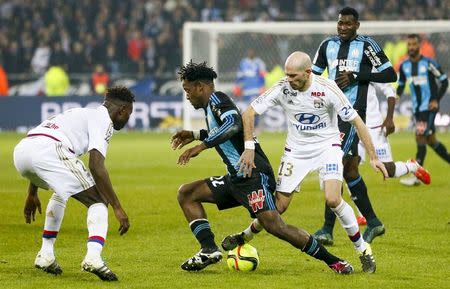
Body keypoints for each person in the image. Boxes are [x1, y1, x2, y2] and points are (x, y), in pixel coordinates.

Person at [172, 60, 354, 274]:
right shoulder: (211, 106)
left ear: (200, 87)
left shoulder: (217, 99)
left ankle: (334, 262)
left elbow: (234, 124)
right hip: (236, 178)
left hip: (253, 175)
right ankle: (208, 249)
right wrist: (194, 135)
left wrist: (201, 146)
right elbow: (226, 131)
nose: (187, 95)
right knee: (187, 193)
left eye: (188, 89)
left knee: (276, 226)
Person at [222, 51, 385, 273]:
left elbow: (356, 120)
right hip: (295, 152)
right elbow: (249, 113)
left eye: (293, 75)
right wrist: (249, 147)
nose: (288, 80)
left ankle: (363, 250)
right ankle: (244, 236)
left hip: (327, 147)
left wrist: (374, 157)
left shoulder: (327, 88)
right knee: (277, 207)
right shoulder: (283, 87)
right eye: (287, 75)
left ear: (308, 73)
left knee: (333, 199)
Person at [13, 86, 134, 281]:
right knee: (99, 200)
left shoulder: (80, 112)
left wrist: (32, 192)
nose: (128, 119)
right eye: (129, 113)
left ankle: (46, 254)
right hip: (49, 151)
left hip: (22, 151)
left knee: (62, 192)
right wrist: (117, 207)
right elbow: (96, 166)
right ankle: (93, 257)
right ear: (122, 110)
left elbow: (39, 147)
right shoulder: (103, 121)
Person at [311, 7, 397, 244]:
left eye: (348, 24)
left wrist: (357, 75)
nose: (343, 28)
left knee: (335, 165)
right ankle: (374, 223)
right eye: (340, 23)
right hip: (331, 114)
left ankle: (327, 229)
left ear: (357, 25)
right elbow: (315, 76)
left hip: (354, 114)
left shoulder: (367, 45)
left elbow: (391, 75)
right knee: (349, 170)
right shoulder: (327, 45)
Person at [397, 34, 449, 186]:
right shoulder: (404, 65)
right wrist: (396, 97)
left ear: (419, 46)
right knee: (432, 141)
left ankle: (416, 176)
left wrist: (435, 100)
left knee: (420, 137)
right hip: (417, 109)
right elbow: (401, 84)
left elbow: (444, 82)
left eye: (414, 44)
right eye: (409, 44)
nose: (411, 47)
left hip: (429, 108)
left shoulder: (428, 63)